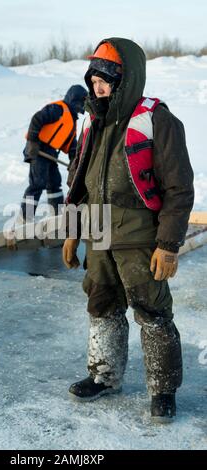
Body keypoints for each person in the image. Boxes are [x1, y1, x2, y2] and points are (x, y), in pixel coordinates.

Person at [62, 38, 194, 423]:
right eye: (93, 80)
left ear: (126, 78)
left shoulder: (157, 120)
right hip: (98, 230)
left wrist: (168, 245)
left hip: (138, 231)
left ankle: (163, 389)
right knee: (101, 304)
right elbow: (77, 182)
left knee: (152, 310)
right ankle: (104, 375)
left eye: (106, 79)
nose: (98, 87)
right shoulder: (90, 120)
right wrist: (72, 231)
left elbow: (179, 188)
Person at [20, 85, 87, 221]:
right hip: (38, 150)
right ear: (75, 100)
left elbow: (72, 146)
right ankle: (24, 219)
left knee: (54, 183)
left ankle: (57, 216)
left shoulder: (71, 120)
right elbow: (37, 119)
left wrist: (75, 163)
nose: (82, 107)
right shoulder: (58, 109)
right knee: (37, 184)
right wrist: (32, 141)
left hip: (50, 154)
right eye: (81, 102)